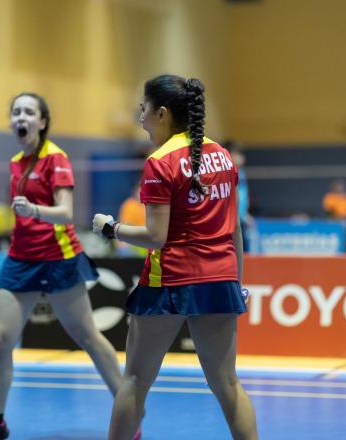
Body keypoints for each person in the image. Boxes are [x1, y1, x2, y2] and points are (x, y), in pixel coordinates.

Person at [92, 75, 258, 440]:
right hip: (220, 280)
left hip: (169, 282)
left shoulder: (159, 162)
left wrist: (111, 228)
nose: (140, 117)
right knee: (228, 384)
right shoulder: (223, 156)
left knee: (134, 381)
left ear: (162, 113)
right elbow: (235, 231)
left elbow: (155, 236)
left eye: (143, 108)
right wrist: (237, 284)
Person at [0, 92, 125, 440]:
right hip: (20, 259)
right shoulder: (15, 162)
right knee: (2, 338)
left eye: (29, 112)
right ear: (11, 122)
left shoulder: (57, 159)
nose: (21, 117)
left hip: (58, 258)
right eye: (16, 112)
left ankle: (128, 411)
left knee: (87, 337)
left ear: (42, 121)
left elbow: (66, 212)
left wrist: (34, 211)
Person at [224, 140, 253, 252]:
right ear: (229, 154)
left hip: (241, 219)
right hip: (233, 221)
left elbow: (242, 197)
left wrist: (245, 214)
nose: (242, 158)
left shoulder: (241, 172)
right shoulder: (228, 171)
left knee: (245, 253)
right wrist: (241, 216)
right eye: (239, 154)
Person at [116, 179, 148, 256]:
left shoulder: (155, 206)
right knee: (123, 251)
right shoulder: (129, 205)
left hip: (150, 246)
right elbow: (122, 230)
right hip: (134, 245)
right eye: (139, 188)